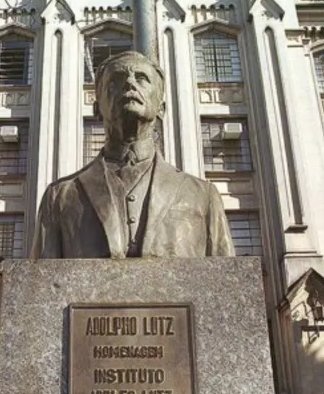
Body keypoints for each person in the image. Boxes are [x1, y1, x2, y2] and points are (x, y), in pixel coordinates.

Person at [31, 51, 234, 259]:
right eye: (116, 80)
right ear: (96, 109)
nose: (129, 84)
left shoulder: (203, 196)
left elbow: (227, 281)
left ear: (161, 108)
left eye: (142, 78)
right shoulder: (59, 197)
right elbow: (40, 282)